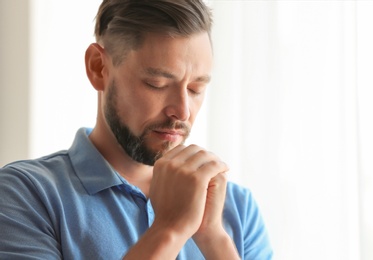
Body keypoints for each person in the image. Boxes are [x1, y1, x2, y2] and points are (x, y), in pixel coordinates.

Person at [0, 0, 273, 259]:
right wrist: (169, 230)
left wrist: (215, 240)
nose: (183, 111)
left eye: (195, 89)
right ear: (98, 68)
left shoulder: (237, 207)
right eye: (157, 84)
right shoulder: (24, 195)